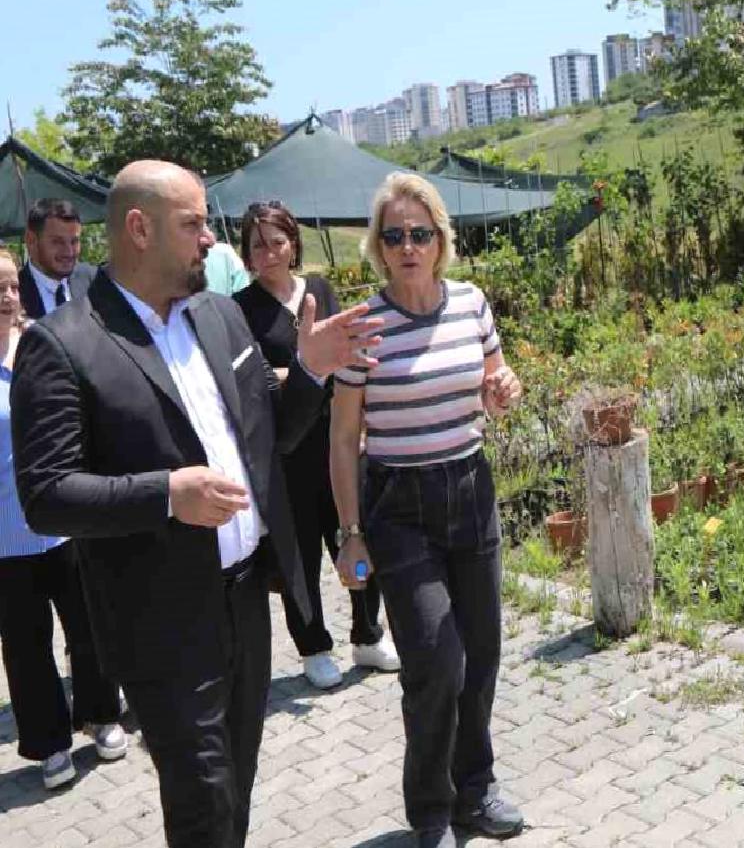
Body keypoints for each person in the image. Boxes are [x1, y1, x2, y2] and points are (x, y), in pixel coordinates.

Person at [10, 160, 382, 848]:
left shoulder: (217, 315)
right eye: (194, 223)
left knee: (234, 782)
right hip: (161, 619)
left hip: (245, 602)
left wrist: (309, 369)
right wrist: (166, 495)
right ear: (138, 229)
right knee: (203, 797)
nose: (211, 238)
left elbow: (269, 432)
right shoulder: (63, 345)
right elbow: (47, 494)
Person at [331, 172, 523, 848]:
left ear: (441, 239)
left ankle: (477, 787)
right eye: (394, 235)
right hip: (400, 508)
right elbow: (343, 437)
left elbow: (496, 386)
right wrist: (351, 535)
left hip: (470, 492)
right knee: (437, 661)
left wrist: (503, 390)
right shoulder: (365, 328)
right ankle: (432, 810)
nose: (408, 246)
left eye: (420, 233)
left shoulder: (471, 304)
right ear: (378, 248)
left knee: (483, 653)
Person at [233, 200, 400, 689]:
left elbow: (347, 358)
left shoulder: (320, 291)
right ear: (246, 252)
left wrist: (315, 375)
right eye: (257, 244)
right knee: (300, 556)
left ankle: (368, 633)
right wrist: (304, 370)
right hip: (288, 455)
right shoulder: (240, 310)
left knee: (354, 533)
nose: (269, 253)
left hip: (339, 441)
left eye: (277, 241)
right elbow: (252, 381)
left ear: (293, 244)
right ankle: (313, 645)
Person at [0, 249, 126, 790]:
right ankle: (49, 742)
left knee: (90, 625)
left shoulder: (36, 344)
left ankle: (101, 714)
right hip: (5, 539)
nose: (8, 297)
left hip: (65, 521)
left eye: (10, 286)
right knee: (27, 646)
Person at [19, 197, 96, 317]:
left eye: (74, 241)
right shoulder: (13, 294)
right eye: (57, 242)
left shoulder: (95, 283)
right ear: (31, 240)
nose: (69, 252)